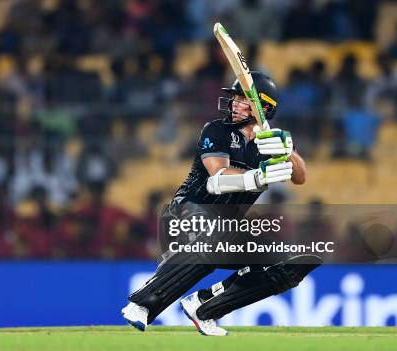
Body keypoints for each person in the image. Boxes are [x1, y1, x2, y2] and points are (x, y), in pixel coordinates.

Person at [121, 72, 321, 336]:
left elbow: (301, 178)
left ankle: (204, 307)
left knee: (278, 265)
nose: (234, 104)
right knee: (213, 240)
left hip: (226, 225)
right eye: (235, 98)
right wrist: (257, 176)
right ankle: (142, 305)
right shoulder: (216, 130)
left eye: (243, 99)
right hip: (186, 213)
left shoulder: (268, 143)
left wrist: (289, 152)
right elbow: (216, 179)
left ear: (264, 107)